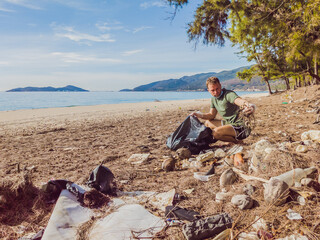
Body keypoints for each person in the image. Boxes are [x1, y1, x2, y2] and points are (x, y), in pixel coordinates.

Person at [191, 76, 255, 143]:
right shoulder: (214, 99)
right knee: (207, 123)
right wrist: (198, 115)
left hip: (241, 127)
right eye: (213, 90)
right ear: (208, 90)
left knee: (215, 133)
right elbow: (211, 115)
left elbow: (239, 100)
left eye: (217, 88)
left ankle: (237, 142)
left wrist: (248, 105)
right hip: (230, 124)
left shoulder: (228, 94)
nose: (216, 92)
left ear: (220, 86)